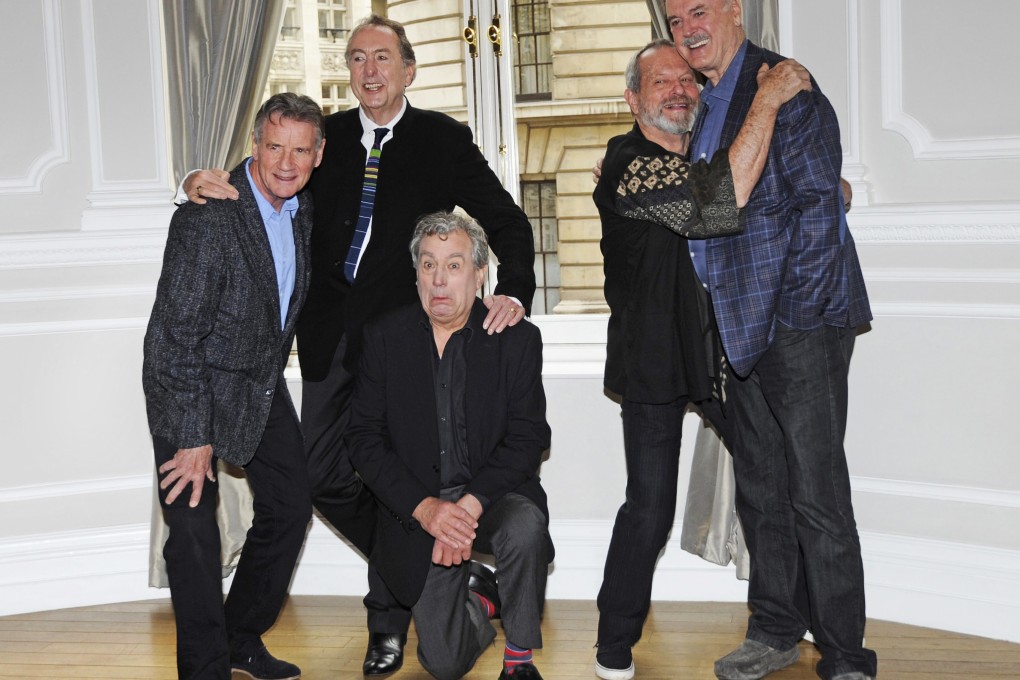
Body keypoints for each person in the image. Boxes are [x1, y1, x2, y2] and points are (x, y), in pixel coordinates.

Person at [179, 14, 536, 675]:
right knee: (324, 478)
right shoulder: (328, 136)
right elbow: (263, 174)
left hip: (402, 346)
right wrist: (197, 184)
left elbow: (508, 219)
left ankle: (386, 625)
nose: (368, 70)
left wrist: (514, 289)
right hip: (324, 340)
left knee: (399, 471)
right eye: (356, 59)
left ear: (408, 70)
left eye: (382, 58)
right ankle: (425, 568)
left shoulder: (442, 139)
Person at [653, 2, 877, 679]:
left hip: (795, 329)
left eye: (699, 9)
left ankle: (844, 653)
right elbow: (713, 207)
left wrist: (798, 318)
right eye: (674, 16)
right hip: (736, 331)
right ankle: (776, 629)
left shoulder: (786, 86)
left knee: (816, 494)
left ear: (733, 11)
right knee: (760, 491)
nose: (687, 24)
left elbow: (817, 206)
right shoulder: (707, 102)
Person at [593, 39, 811, 680]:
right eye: (661, 82)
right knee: (650, 506)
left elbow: (743, 186)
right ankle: (612, 648)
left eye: (688, 80)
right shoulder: (628, 162)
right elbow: (717, 203)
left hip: (722, 356)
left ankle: (795, 624)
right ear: (634, 98)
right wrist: (769, 96)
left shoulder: (706, 153)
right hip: (652, 359)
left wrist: (823, 187)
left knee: (776, 482)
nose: (679, 90)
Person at [143, 93, 325, 680]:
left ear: (318, 155)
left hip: (254, 383)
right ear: (254, 145)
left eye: (301, 149)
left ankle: (240, 636)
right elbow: (175, 338)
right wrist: (194, 436)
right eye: (275, 146)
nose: (286, 162)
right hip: (186, 381)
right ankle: (205, 668)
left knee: (291, 507)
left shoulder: (304, 210)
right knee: (194, 532)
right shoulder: (209, 215)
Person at [346, 211, 553, 680]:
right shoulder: (384, 337)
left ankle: (520, 659)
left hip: (494, 496)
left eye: (454, 265)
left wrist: (472, 504)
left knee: (524, 526)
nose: (439, 281)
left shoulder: (517, 339)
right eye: (428, 264)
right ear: (416, 271)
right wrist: (426, 510)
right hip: (422, 506)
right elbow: (363, 441)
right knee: (442, 663)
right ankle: (481, 599)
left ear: (481, 273)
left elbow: (528, 438)